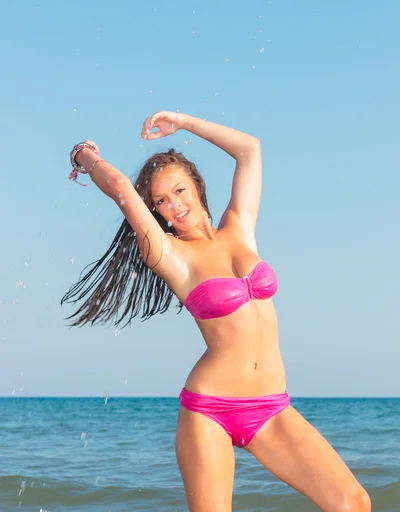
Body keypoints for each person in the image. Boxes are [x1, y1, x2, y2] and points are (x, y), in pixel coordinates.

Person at [63, 111, 371, 512]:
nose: (174, 205)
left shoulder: (239, 227)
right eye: (161, 201)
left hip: (272, 407)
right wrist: (83, 155)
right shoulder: (170, 255)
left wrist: (184, 122)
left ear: (197, 185)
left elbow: (249, 150)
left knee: (353, 502)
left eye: (179, 191)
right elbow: (120, 185)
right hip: (208, 411)